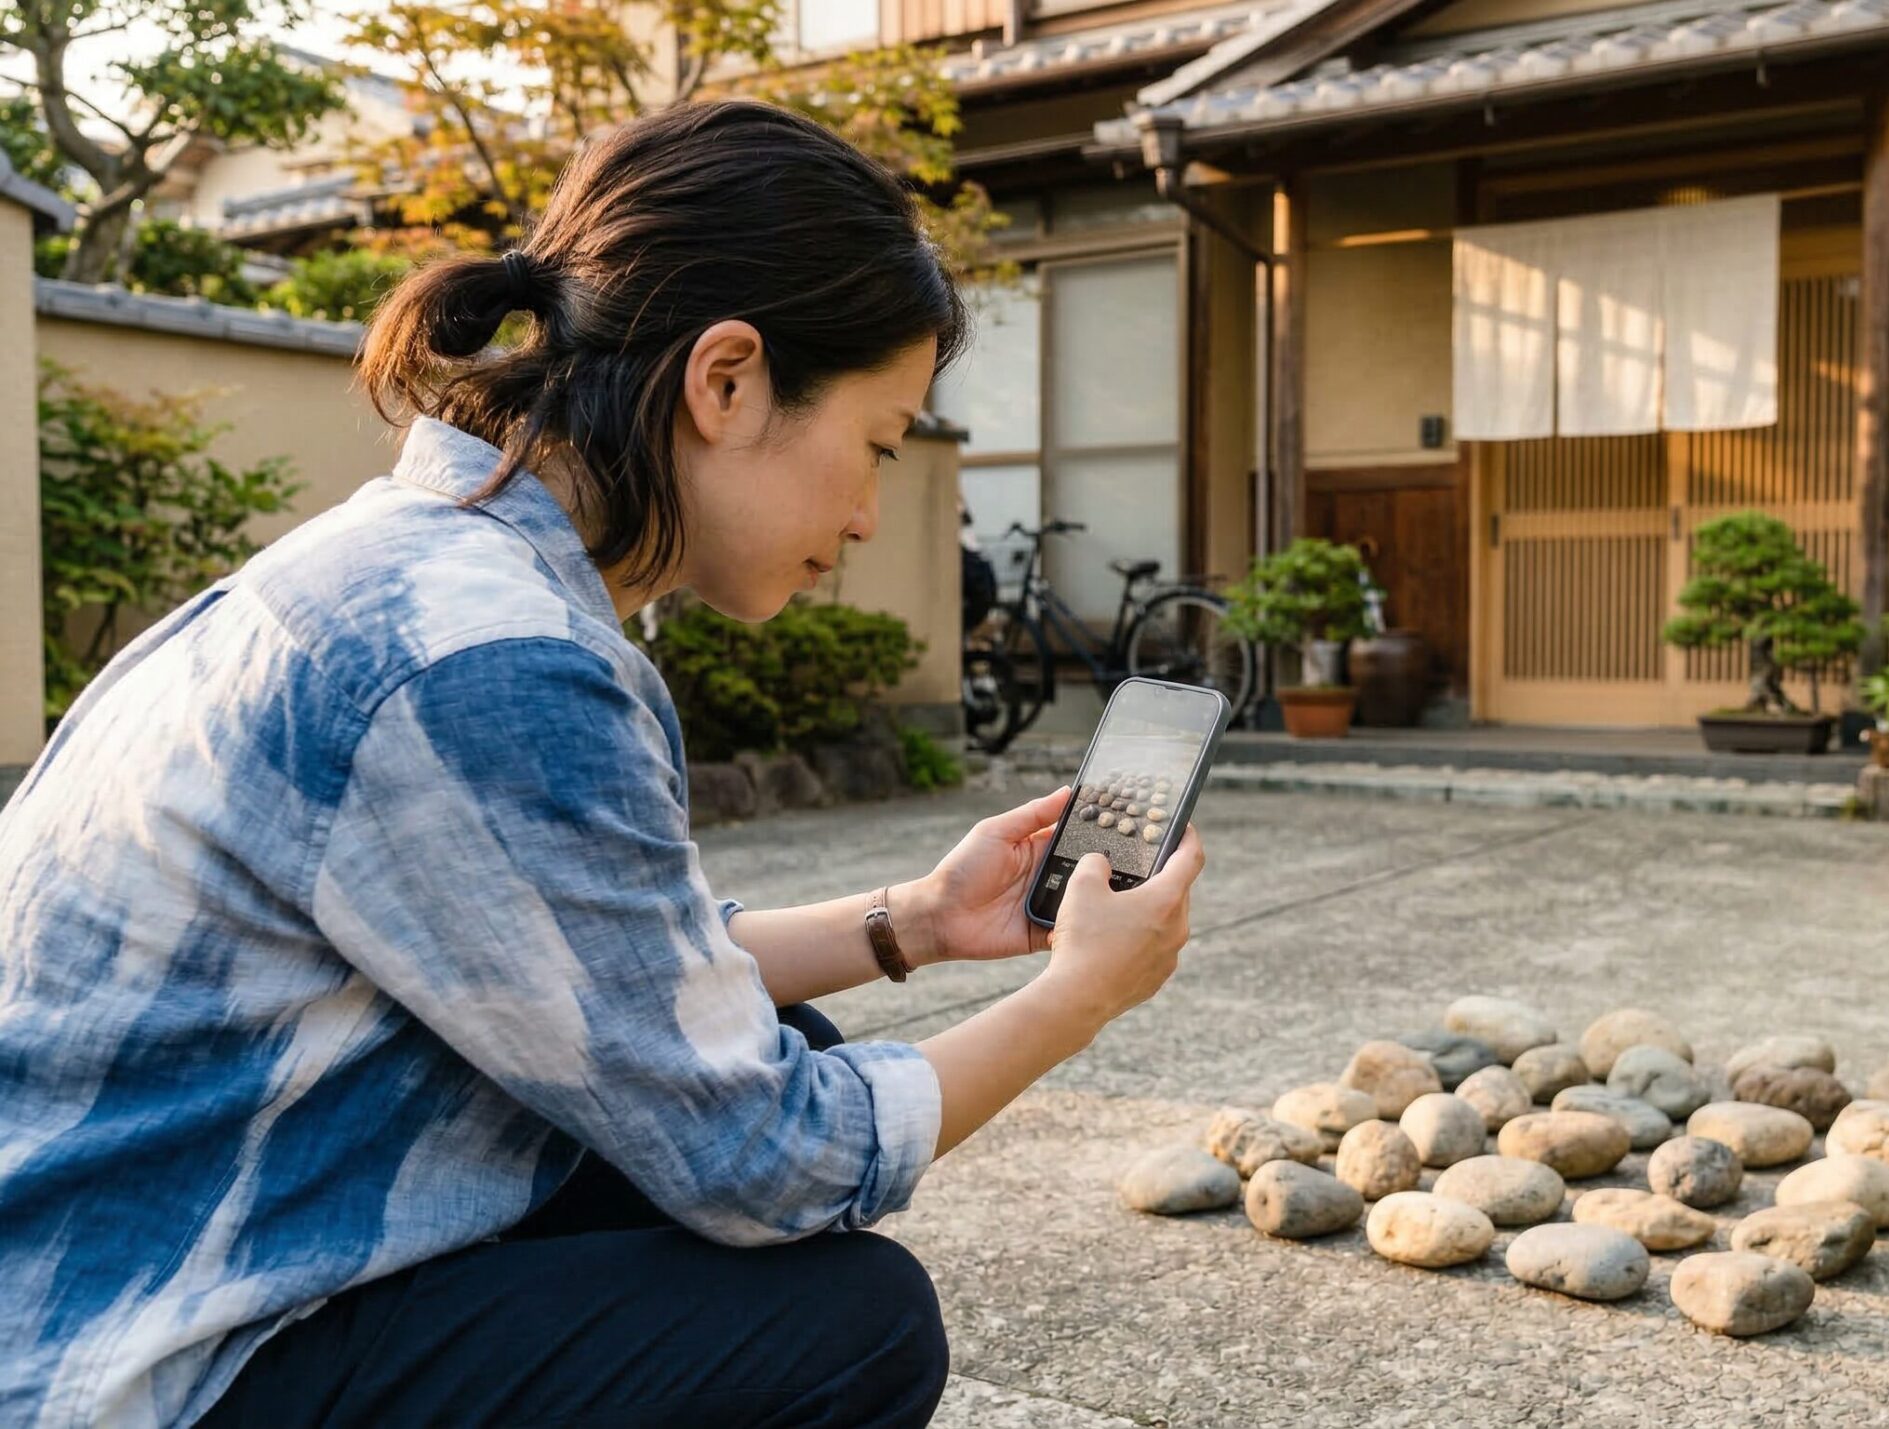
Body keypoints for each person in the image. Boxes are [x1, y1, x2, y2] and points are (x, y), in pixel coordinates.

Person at [0, 100, 1203, 1429]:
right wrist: (1080, 994)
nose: (868, 512)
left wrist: (909, 923)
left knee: (769, 1046)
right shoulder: (487, 654)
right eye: (873, 443)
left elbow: (599, 976)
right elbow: (769, 1157)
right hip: (136, 1367)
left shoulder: (422, 565)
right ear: (726, 378)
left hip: (132, 1271)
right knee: (849, 1328)